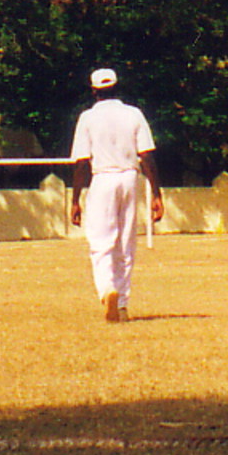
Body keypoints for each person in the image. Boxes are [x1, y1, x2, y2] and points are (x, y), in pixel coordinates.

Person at [70, 67, 165, 323]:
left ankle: (107, 289)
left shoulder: (87, 118)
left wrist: (75, 200)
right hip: (129, 177)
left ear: (93, 91)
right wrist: (156, 194)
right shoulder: (133, 114)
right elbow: (146, 155)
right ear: (117, 87)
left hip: (103, 178)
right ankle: (121, 303)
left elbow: (81, 162)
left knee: (101, 241)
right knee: (125, 242)